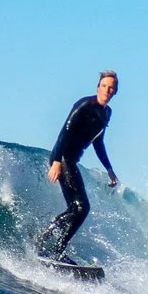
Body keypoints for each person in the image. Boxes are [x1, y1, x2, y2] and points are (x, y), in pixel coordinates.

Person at [38, 70, 119, 257]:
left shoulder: (107, 113)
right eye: (104, 86)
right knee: (81, 208)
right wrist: (57, 162)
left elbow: (98, 142)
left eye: (111, 88)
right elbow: (64, 133)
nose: (107, 90)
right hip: (63, 158)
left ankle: (55, 249)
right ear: (98, 87)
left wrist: (110, 170)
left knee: (77, 209)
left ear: (115, 92)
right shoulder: (84, 105)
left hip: (71, 161)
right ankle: (46, 241)